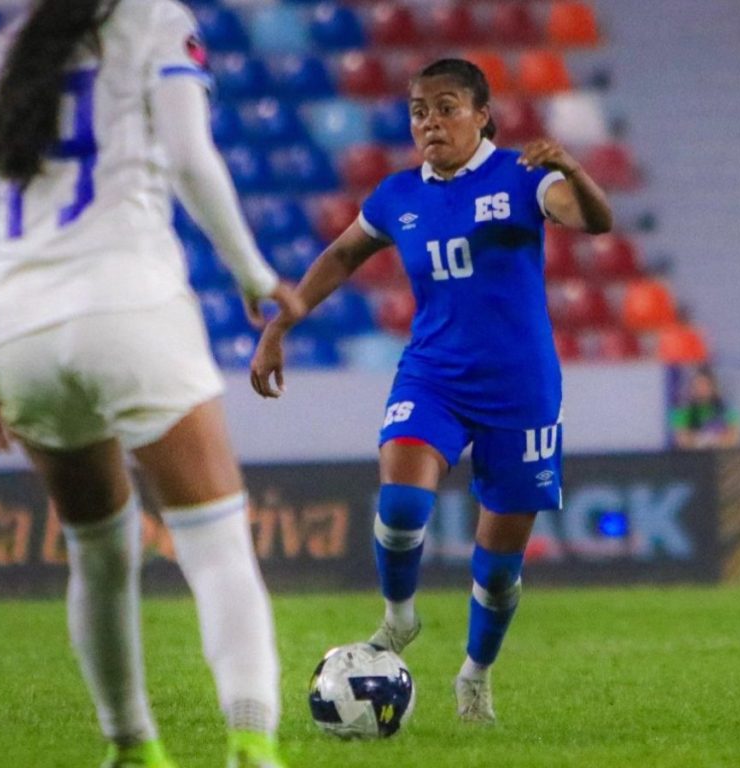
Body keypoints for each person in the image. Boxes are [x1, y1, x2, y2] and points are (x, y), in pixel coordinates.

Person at [0, 1, 304, 766]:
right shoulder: (151, 22)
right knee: (216, 545)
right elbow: (188, 155)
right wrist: (254, 272)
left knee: (98, 554)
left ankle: (132, 745)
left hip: (19, 324)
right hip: (127, 302)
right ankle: (249, 739)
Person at [250, 58, 613, 723]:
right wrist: (281, 325)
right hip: (434, 375)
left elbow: (594, 221)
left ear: (482, 114)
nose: (431, 122)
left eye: (447, 107)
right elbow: (340, 257)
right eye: (420, 110)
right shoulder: (396, 196)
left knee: (498, 570)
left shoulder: (523, 177)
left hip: (521, 389)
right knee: (402, 498)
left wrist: (574, 170)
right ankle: (398, 619)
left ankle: (474, 676)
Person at [670, 365, 740, 449]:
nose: (701, 389)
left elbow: (735, 437)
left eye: (705, 384)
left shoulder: (727, 409)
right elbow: (682, 440)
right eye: (697, 385)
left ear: (713, 386)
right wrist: (703, 441)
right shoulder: (682, 412)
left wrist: (714, 442)